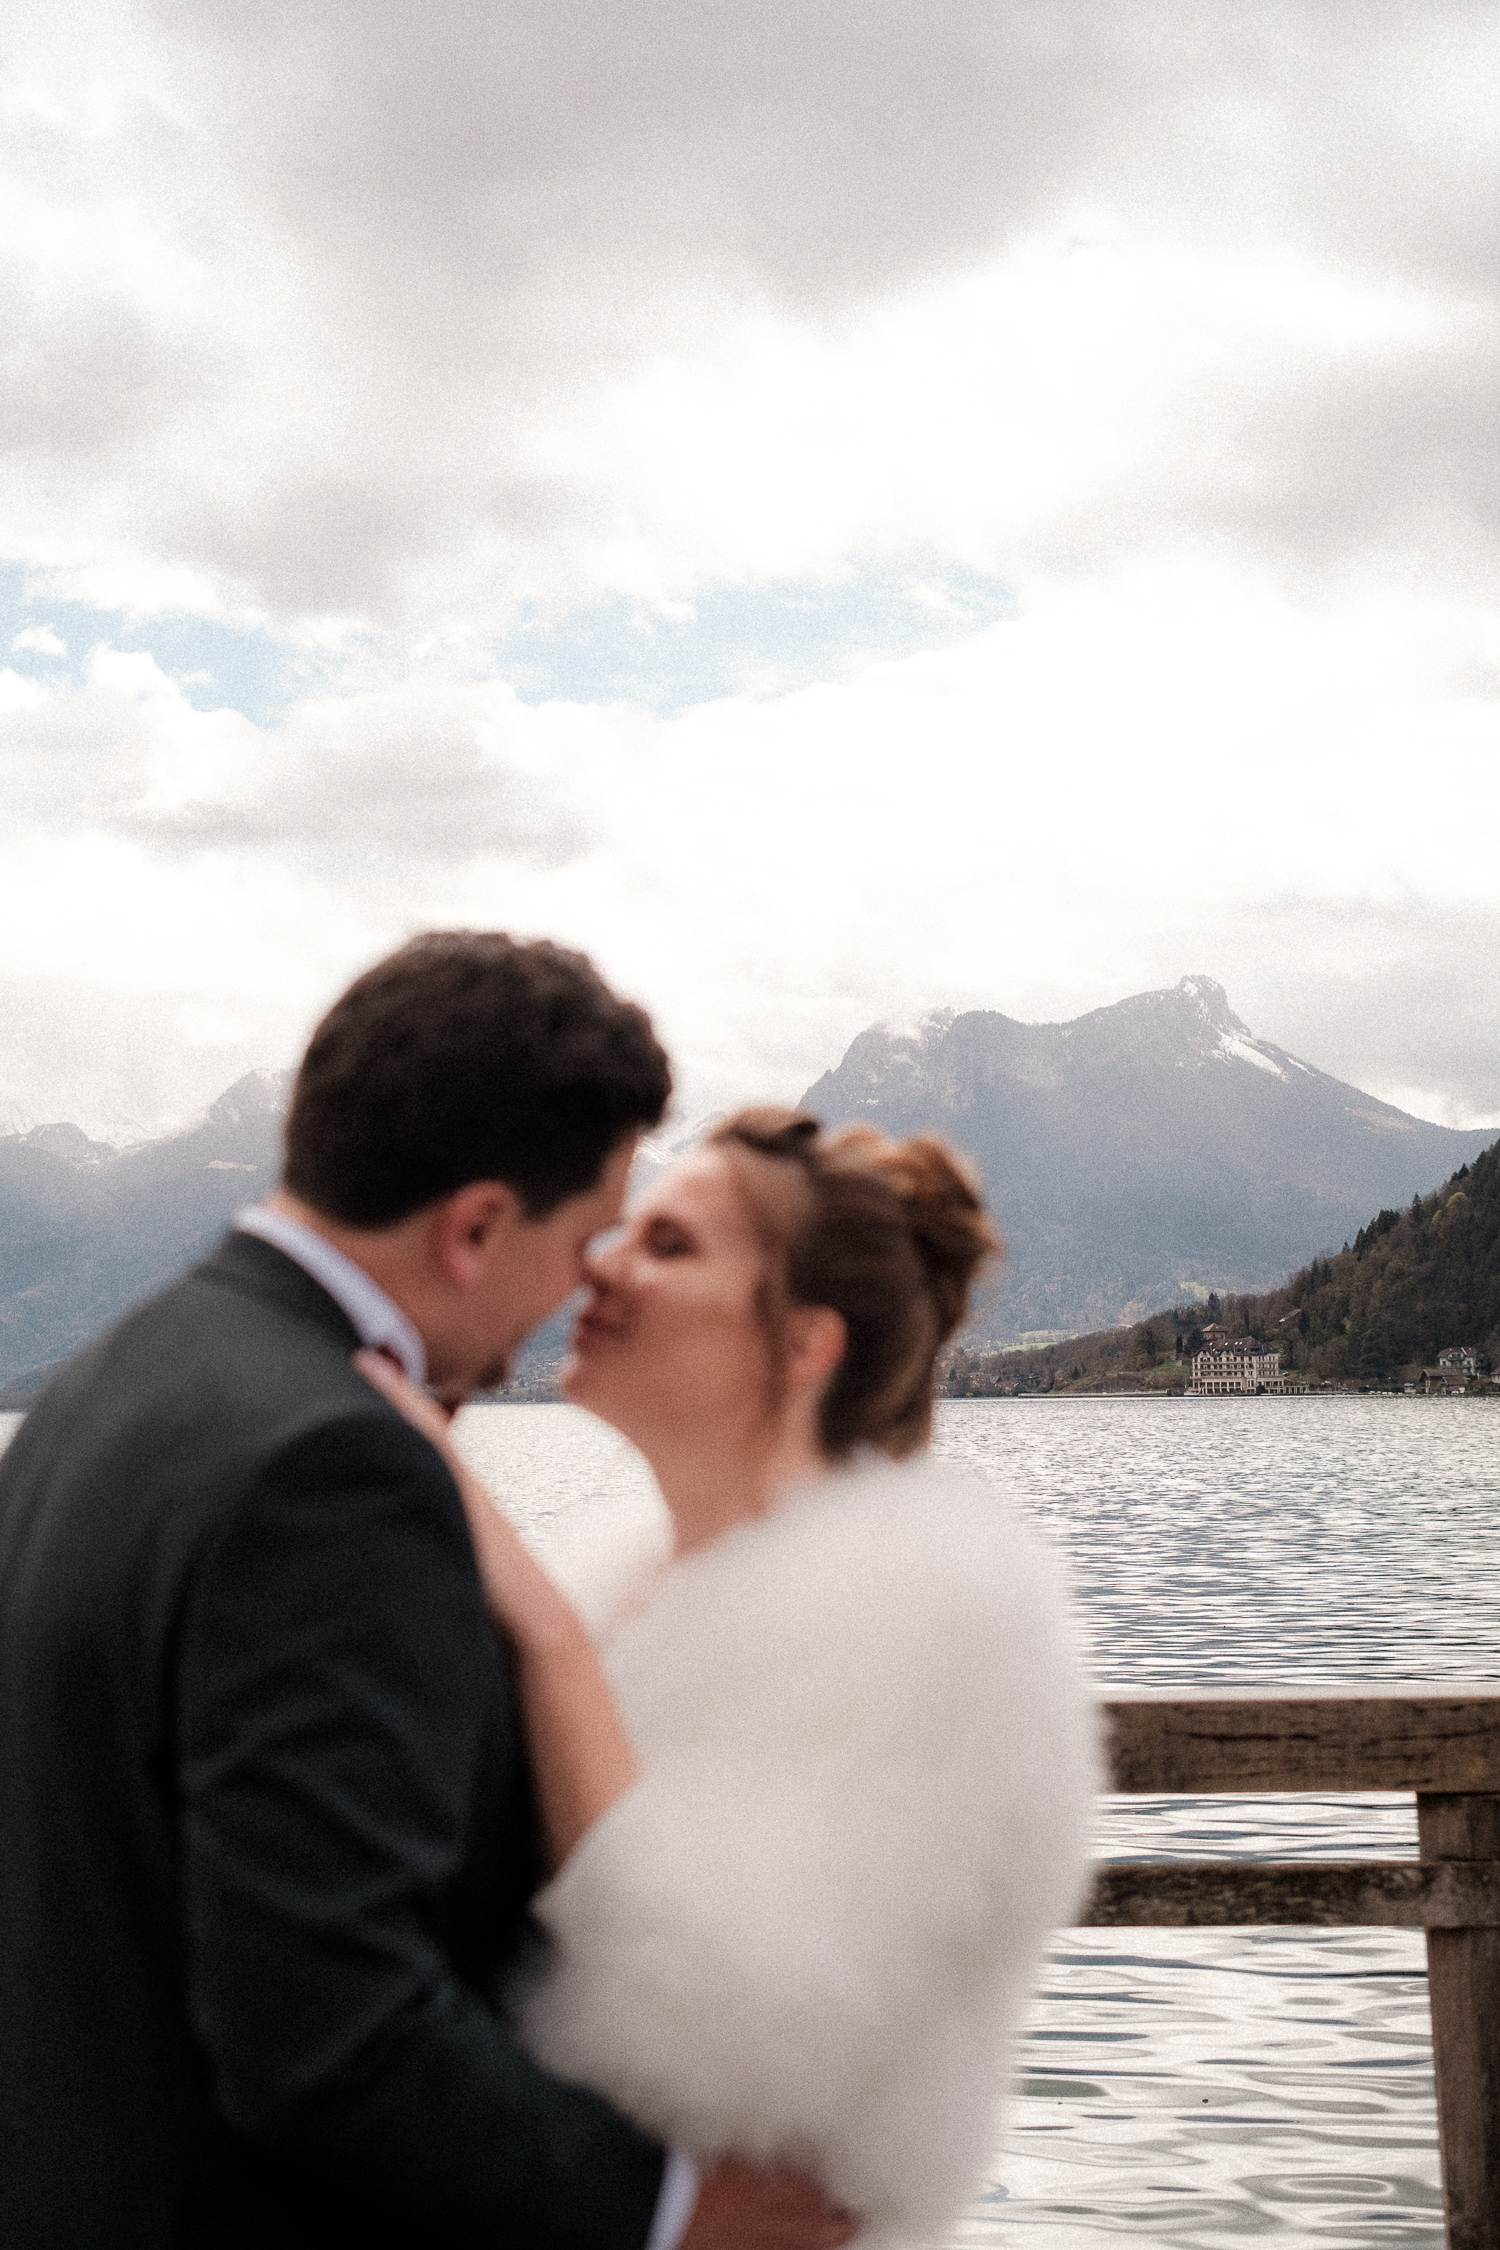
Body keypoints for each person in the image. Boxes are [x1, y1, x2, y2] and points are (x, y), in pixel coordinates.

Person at [0, 934, 855, 2250]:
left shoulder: (97, 1393)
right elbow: (327, 2033)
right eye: (584, 1238)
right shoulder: (331, 1470)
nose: (586, 1286)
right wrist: (674, 2208)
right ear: (475, 1228)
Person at [361, 1106, 1100, 2248]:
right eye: (627, 1231)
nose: (600, 1266)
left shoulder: (937, 1627)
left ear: (802, 1345)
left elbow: (723, 2034)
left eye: (668, 1246)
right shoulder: (630, 1583)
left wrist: (545, 1637)